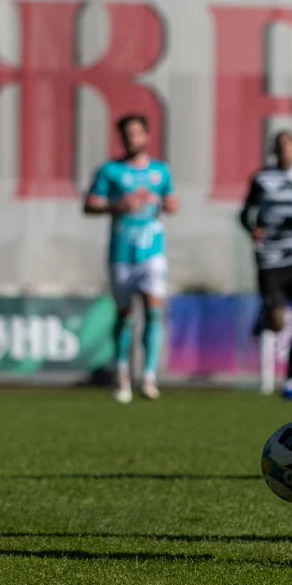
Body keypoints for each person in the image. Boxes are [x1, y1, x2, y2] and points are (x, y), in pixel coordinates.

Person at [84, 114, 177, 403]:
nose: (132, 138)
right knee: (125, 315)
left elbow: (172, 202)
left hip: (152, 252)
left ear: (147, 136)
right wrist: (117, 206)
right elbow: (90, 205)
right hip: (122, 253)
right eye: (127, 134)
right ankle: (122, 372)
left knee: (153, 311)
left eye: (137, 133)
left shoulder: (160, 171)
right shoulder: (110, 170)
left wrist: (168, 203)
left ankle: (148, 377)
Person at [239, 130, 292, 401]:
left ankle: (290, 381)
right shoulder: (262, 179)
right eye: (279, 145)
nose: (284, 150)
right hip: (270, 258)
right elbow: (244, 214)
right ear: (273, 150)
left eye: (289, 145)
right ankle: (265, 317)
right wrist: (252, 229)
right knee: (277, 323)